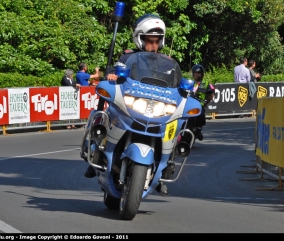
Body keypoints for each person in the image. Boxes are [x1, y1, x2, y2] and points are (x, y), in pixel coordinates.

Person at [84, 14, 182, 197]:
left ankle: (167, 167)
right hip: (132, 106)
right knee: (108, 113)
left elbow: (177, 82)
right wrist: (113, 75)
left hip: (158, 109)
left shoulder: (168, 63)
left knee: (176, 124)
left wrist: (185, 90)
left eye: (157, 41)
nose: (153, 45)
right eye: (149, 41)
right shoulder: (129, 57)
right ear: (140, 39)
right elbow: (117, 68)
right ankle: (96, 152)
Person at [190, 64, 215, 141]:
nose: (197, 75)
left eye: (199, 73)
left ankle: (198, 130)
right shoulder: (190, 82)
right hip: (189, 103)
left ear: (202, 74)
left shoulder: (206, 83)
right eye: (195, 73)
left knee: (201, 115)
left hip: (199, 103)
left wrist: (206, 102)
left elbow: (212, 92)